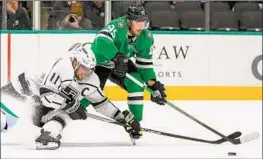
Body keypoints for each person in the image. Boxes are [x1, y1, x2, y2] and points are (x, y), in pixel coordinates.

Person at [0, 43, 142, 150]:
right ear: (75, 62)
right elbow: (46, 97)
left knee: (65, 114)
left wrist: (122, 119)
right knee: (4, 120)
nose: (86, 72)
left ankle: (47, 135)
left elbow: (101, 103)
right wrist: (71, 105)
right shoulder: (63, 66)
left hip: (39, 108)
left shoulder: (91, 80)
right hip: (23, 92)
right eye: (83, 67)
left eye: (90, 69)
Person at [90, 5, 167, 140]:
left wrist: (152, 84)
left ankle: (134, 123)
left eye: (143, 21)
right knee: (88, 93)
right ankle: (56, 122)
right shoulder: (118, 25)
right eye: (138, 21)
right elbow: (101, 41)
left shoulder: (146, 36)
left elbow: (144, 65)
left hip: (121, 62)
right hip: (99, 61)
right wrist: (115, 56)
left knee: (136, 83)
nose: (141, 26)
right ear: (129, 21)